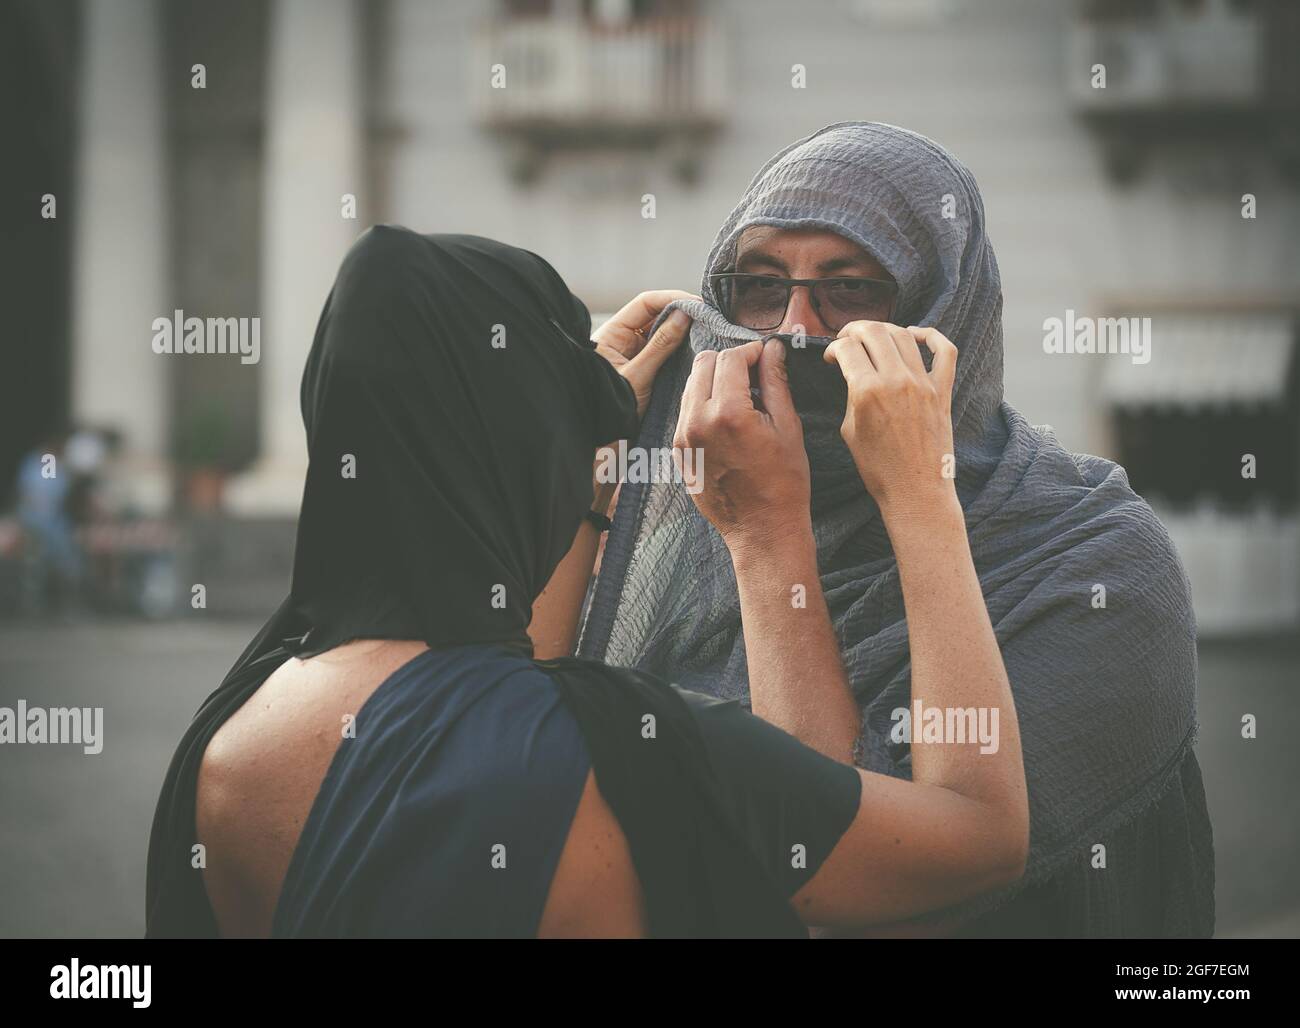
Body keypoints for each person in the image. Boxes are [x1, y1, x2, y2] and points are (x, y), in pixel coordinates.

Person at [145, 225, 1028, 938]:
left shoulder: (230, 735)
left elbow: (487, 677)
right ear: (535, 454)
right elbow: (975, 836)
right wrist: (918, 486)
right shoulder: (633, 751)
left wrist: (583, 467)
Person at [579, 121, 1215, 937]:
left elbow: (851, 880)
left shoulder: (1102, 565)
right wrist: (583, 459)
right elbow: (541, 746)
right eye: (761, 284)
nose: (794, 330)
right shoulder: (705, 531)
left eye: (851, 289)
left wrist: (833, 522)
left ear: (946, 312)